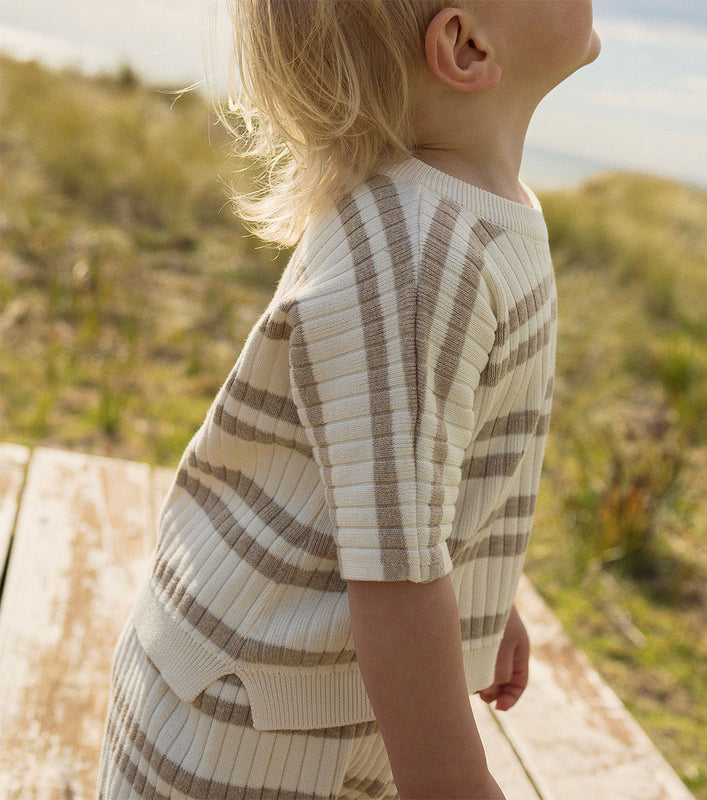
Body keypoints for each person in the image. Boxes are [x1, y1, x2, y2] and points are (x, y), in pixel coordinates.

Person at [97, 1, 600, 798]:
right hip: (252, 729)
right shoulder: (419, 263)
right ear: (465, 44)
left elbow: (409, 488)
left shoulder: (463, 214)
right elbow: (394, 578)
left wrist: (482, 598)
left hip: (316, 696)